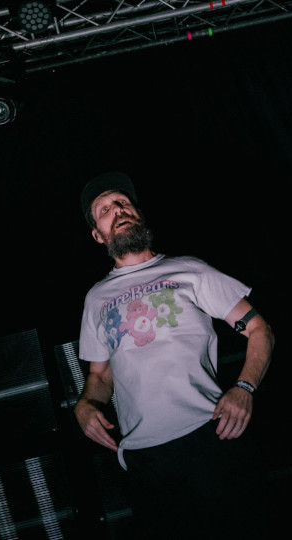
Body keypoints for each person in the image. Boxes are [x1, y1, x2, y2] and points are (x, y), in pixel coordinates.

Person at [74, 171, 276, 539]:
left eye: (123, 202)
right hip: (145, 458)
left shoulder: (189, 270)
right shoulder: (96, 299)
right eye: (104, 210)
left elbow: (259, 329)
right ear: (97, 235)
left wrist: (244, 387)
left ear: (138, 213)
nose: (117, 210)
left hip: (211, 435)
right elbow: (100, 376)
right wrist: (85, 406)